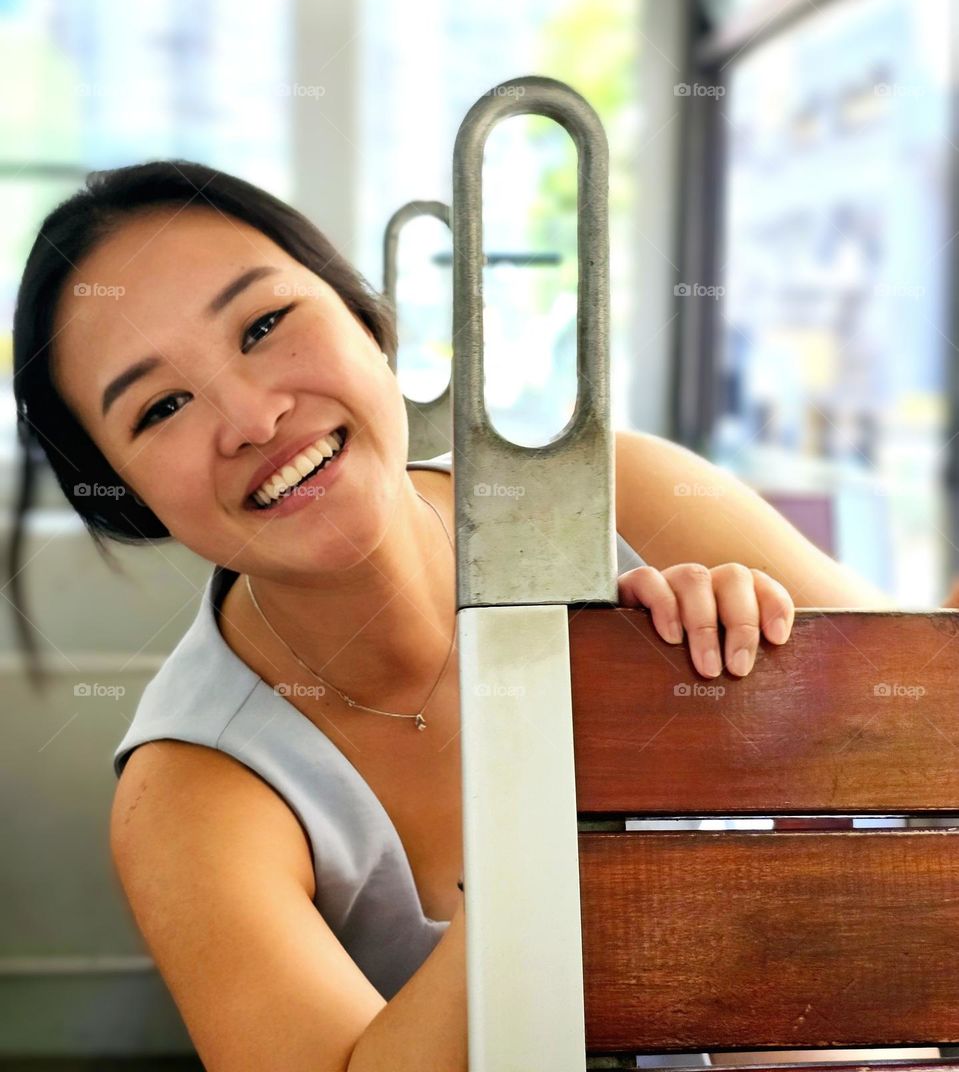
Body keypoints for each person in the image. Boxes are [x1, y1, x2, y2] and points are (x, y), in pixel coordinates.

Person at [11, 161, 909, 1071]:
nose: (253, 416)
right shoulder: (193, 792)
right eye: (161, 406)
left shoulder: (617, 498)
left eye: (265, 324)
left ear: (368, 320)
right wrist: (588, 792)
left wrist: (773, 687)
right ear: (126, 497)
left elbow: (921, 716)